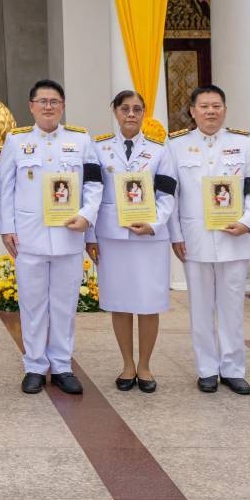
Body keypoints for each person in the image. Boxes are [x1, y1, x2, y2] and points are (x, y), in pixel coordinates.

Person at [156, 84, 250, 395]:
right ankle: (206, 368)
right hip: (195, 238)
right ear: (192, 111)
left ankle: (233, 368)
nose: (210, 111)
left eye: (216, 105)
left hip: (234, 236)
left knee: (232, 307)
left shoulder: (243, 144)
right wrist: (175, 234)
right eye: (204, 106)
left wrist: (247, 223)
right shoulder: (176, 145)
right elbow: (169, 194)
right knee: (200, 307)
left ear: (225, 109)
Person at [0, 80, 102, 396]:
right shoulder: (16, 141)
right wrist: (6, 228)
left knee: (64, 305)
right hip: (30, 237)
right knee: (32, 304)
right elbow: (6, 189)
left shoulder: (81, 140)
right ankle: (34, 365)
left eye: (54, 101)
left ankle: (61, 365)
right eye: (41, 101)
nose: (48, 106)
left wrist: (86, 216)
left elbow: (95, 186)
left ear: (63, 105)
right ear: (31, 106)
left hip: (68, 235)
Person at [86, 90, 175, 394]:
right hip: (113, 236)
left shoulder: (160, 150)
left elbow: (167, 192)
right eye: (125, 109)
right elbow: (91, 195)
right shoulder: (98, 148)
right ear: (114, 111)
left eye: (137, 109)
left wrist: (153, 224)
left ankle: (146, 365)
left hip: (148, 237)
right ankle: (127, 364)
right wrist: (89, 236)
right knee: (120, 302)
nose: (131, 114)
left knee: (149, 303)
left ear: (144, 112)